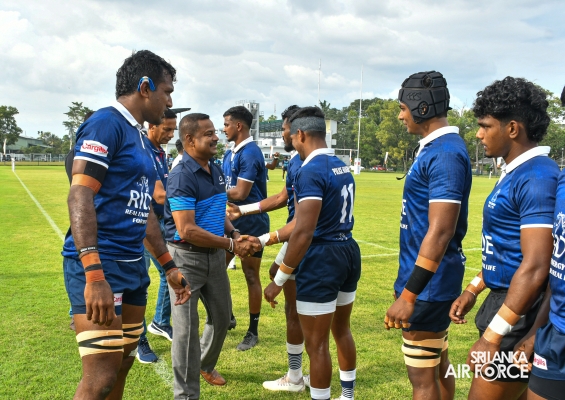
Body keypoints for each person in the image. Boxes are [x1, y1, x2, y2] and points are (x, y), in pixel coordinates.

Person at [61, 50, 190, 400]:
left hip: (133, 266)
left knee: (122, 364)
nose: (169, 102)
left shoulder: (140, 138)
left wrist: (168, 266)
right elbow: (80, 195)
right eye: (167, 91)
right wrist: (94, 275)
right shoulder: (107, 123)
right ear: (145, 87)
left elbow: (143, 209)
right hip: (102, 264)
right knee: (100, 377)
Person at [449, 77, 558, 400]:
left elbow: (536, 264)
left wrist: (493, 336)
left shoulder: (537, 177)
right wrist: (474, 288)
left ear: (512, 129)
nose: (479, 134)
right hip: (506, 300)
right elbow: (507, 248)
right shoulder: (516, 172)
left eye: (485, 126)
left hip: (521, 308)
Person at [263, 106, 361, 400]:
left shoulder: (310, 170)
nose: (292, 143)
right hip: (348, 249)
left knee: (317, 345)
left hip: (322, 258)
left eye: (292, 137)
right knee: (342, 330)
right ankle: (347, 396)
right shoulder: (341, 165)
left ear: (301, 134)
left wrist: (278, 280)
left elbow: (303, 231)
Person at [385, 71, 472, 400]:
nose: (401, 115)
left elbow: (441, 231)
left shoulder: (445, 153)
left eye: (403, 108)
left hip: (428, 286)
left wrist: (409, 296)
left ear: (422, 107)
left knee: (422, 379)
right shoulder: (436, 148)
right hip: (428, 281)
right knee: (438, 364)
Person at [165, 112, 259, 399]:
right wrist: (231, 245)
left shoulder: (214, 169)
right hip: (186, 259)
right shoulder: (181, 175)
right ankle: (185, 394)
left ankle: (205, 364)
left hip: (215, 257)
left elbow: (219, 211)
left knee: (222, 318)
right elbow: (187, 229)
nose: (217, 137)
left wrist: (234, 233)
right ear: (190, 140)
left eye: (216, 131)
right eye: (208, 134)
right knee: (185, 331)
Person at [226, 105, 310, 392]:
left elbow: (302, 223)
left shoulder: (308, 165)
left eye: (284, 128)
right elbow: (282, 196)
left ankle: (297, 375)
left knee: (301, 310)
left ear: (298, 131)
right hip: (294, 235)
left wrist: (262, 238)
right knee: (277, 276)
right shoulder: (299, 162)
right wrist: (242, 210)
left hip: (305, 239)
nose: (282, 133)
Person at [222, 105, 270, 351]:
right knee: (216, 271)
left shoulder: (250, 153)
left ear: (238, 125)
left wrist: (210, 191)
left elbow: (241, 192)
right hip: (230, 221)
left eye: (226, 124)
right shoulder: (229, 153)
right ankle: (226, 315)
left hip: (251, 222)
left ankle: (253, 330)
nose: (223, 129)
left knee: (251, 275)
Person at [136, 108, 178, 364]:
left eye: (173, 129)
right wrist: (193, 196)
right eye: (167, 129)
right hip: (141, 224)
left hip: (159, 222)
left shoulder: (160, 152)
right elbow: (160, 195)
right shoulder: (143, 151)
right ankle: (138, 338)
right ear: (151, 126)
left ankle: (160, 322)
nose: (171, 134)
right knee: (139, 281)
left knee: (168, 272)